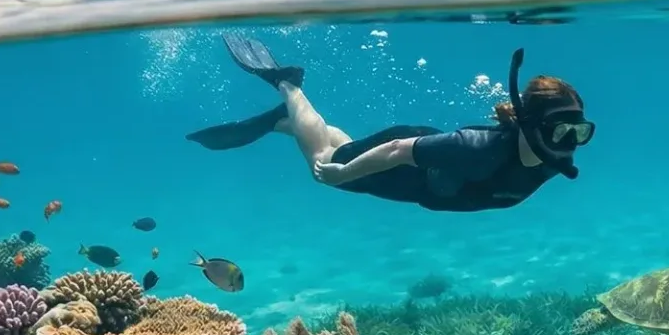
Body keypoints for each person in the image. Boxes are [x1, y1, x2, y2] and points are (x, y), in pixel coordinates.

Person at [188, 35, 592, 212]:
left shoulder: (551, 161)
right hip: (402, 159)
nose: (570, 144)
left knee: (343, 149)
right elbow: (399, 150)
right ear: (527, 123)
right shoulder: (476, 150)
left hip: (414, 180)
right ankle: (287, 88)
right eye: (561, 130)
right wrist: (342, 173)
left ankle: (290, 123)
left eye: (579, 133)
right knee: (326, 165)